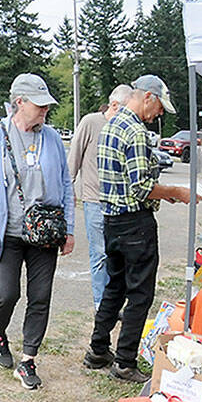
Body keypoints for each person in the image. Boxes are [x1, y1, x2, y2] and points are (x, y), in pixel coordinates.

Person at [0, 73, 75, 391]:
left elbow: (66, 185)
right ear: (19, 102)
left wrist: (68, 229)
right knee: (6, 293)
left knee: (40, 297)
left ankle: (28, 360)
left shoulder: (53, 138)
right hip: (8, 233)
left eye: (46, 105)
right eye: (39, 105)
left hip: (45, 233)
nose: (44, 110)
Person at [84, 74, 192, 384]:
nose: (159, 114)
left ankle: (97, 349)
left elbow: (126, 182)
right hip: (135, 224)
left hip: (111, 220)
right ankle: (125, 361)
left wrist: (164, 193)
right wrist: (176, 192)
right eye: (159, 107)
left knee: (114, 287)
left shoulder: (110, 126)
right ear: (147, 97)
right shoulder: (136, 131)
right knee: (140, 293)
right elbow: (142, 187)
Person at [68, 84, 132, 307]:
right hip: (94, 201)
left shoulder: (126, 127)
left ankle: (115, 303)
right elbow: (73, 158)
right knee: (100, 254)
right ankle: (101, 305)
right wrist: (69, 192)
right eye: (126, 108)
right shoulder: (91, 122)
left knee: (119, 255)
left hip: (120, 203)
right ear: (114, 105)